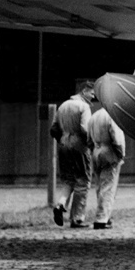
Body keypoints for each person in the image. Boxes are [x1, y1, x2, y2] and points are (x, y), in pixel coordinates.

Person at [49, 80, 96, 228]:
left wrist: (62, 141)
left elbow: (53, 129)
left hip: (63, 145)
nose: (93, 96)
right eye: (91, 93)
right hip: (79, 147)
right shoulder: (84, 107)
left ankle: (60, 204)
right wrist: (91, 145)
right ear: (83, 91)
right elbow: (84, 129)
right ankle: (77, 219)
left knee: (68, 180)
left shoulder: (63, 105)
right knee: (83, 181)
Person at [85, 100, 126, 229]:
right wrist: (121, 155)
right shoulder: (113, 117)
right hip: (109, 152)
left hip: (96, 152)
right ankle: (102, 218)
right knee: (108, 187)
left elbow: (88, 139)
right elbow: (117, 138)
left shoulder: (94, 116)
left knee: (99, 186)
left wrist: (93, 150)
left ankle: (104, 215)